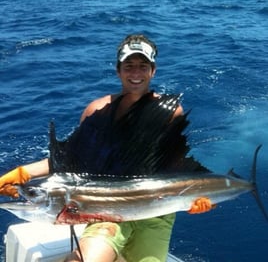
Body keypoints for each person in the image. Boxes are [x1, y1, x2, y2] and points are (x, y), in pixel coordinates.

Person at [0, 34, 212, 262]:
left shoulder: (170, 111)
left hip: (155, 210)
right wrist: (23, 174)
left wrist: (194, 197)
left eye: (143, 66)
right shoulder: (97, 110)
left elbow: (171, 163)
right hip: (105, 211)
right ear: (118, 70)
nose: (136, 74)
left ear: (153, 70)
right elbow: (74, 161)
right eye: (129, 66)